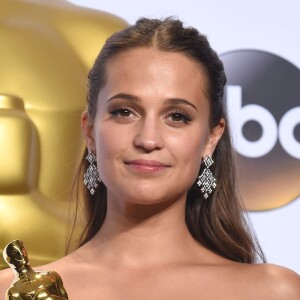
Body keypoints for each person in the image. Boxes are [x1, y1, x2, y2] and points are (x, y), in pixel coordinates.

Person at [1, 17, 300, 299]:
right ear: (90, 132)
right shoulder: (10, 291)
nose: (148, 139)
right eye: (124, 112)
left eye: (177, 117)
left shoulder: (271, 292)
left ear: (211, 138)